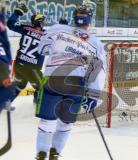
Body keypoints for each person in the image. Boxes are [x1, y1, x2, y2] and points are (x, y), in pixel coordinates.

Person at [35, 4, 106, 160]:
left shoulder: (56, 29)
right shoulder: (96, 43)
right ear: (90, 20)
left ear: (74, 18)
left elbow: (42, 49)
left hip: (52, 79)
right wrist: (93, 97)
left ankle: (41, 154)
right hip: (75, 84)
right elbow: (99, 71)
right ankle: (55, 152)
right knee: (66, 123)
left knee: (47, 121)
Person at [7, 3, 45, 103]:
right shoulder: (46, 35)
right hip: (32, 68)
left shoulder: (25, 28)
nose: (43, 24)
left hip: (18, 66)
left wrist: (17, 13)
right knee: (42, 88)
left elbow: (10, 23)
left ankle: (4, 102)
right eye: (42, 22)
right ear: (39, 23)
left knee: (19, 85)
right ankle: (38, 108)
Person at [0, 7, 15, 112]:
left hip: (4, 63)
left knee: (7, 88)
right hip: (3, 63)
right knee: (7, 89)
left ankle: (5, 103)